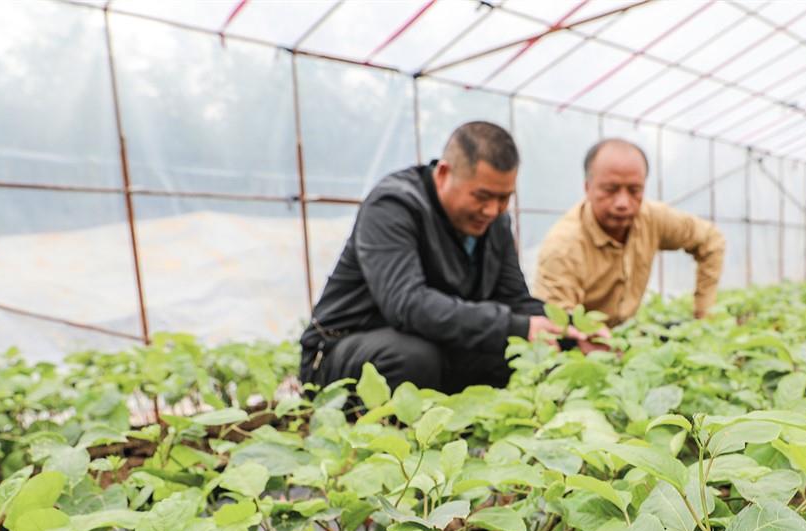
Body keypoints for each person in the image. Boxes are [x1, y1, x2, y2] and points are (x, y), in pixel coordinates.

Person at [299, 121, 582, 394]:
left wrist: (573, 331)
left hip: (431, 343)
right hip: (341, 348)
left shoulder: (495, 223)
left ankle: (456, 421)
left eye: (504, 198)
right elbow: (407, 304)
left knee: (513, 353)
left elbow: (514, 299)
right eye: (482, 196)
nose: (493, 210)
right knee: (414, 359)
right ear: (445, 173)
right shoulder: (394, 206)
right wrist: (517, 326)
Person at [534, 138, 725, 327]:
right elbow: (556, 325)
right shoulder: (563, 247)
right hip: (584, 349)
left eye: (634, 190)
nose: (623, 203)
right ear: (587, 187)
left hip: (628, 334)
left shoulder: (652, 217)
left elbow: (711, 239)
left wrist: (704, 315)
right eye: (610, 189)